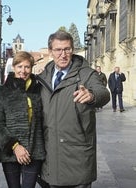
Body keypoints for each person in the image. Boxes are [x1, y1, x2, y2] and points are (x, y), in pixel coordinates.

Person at [37, 30, 110, 188]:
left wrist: (91, 96)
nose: (63, 54)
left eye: (67, 49)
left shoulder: (86, 74)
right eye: (58, 50)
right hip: (51, 154)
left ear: (73, 50)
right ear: (50, 52)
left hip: (78, 154)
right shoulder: (43, 78)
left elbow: (103, 93)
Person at [0, 51, 46, 188]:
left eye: (27, 67)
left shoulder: (39, 90)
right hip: (11, 152)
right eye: (19, 66)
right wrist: (15, 146)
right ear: (14, 67)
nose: (23, 71)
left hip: (34, 151)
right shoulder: (1, 92)